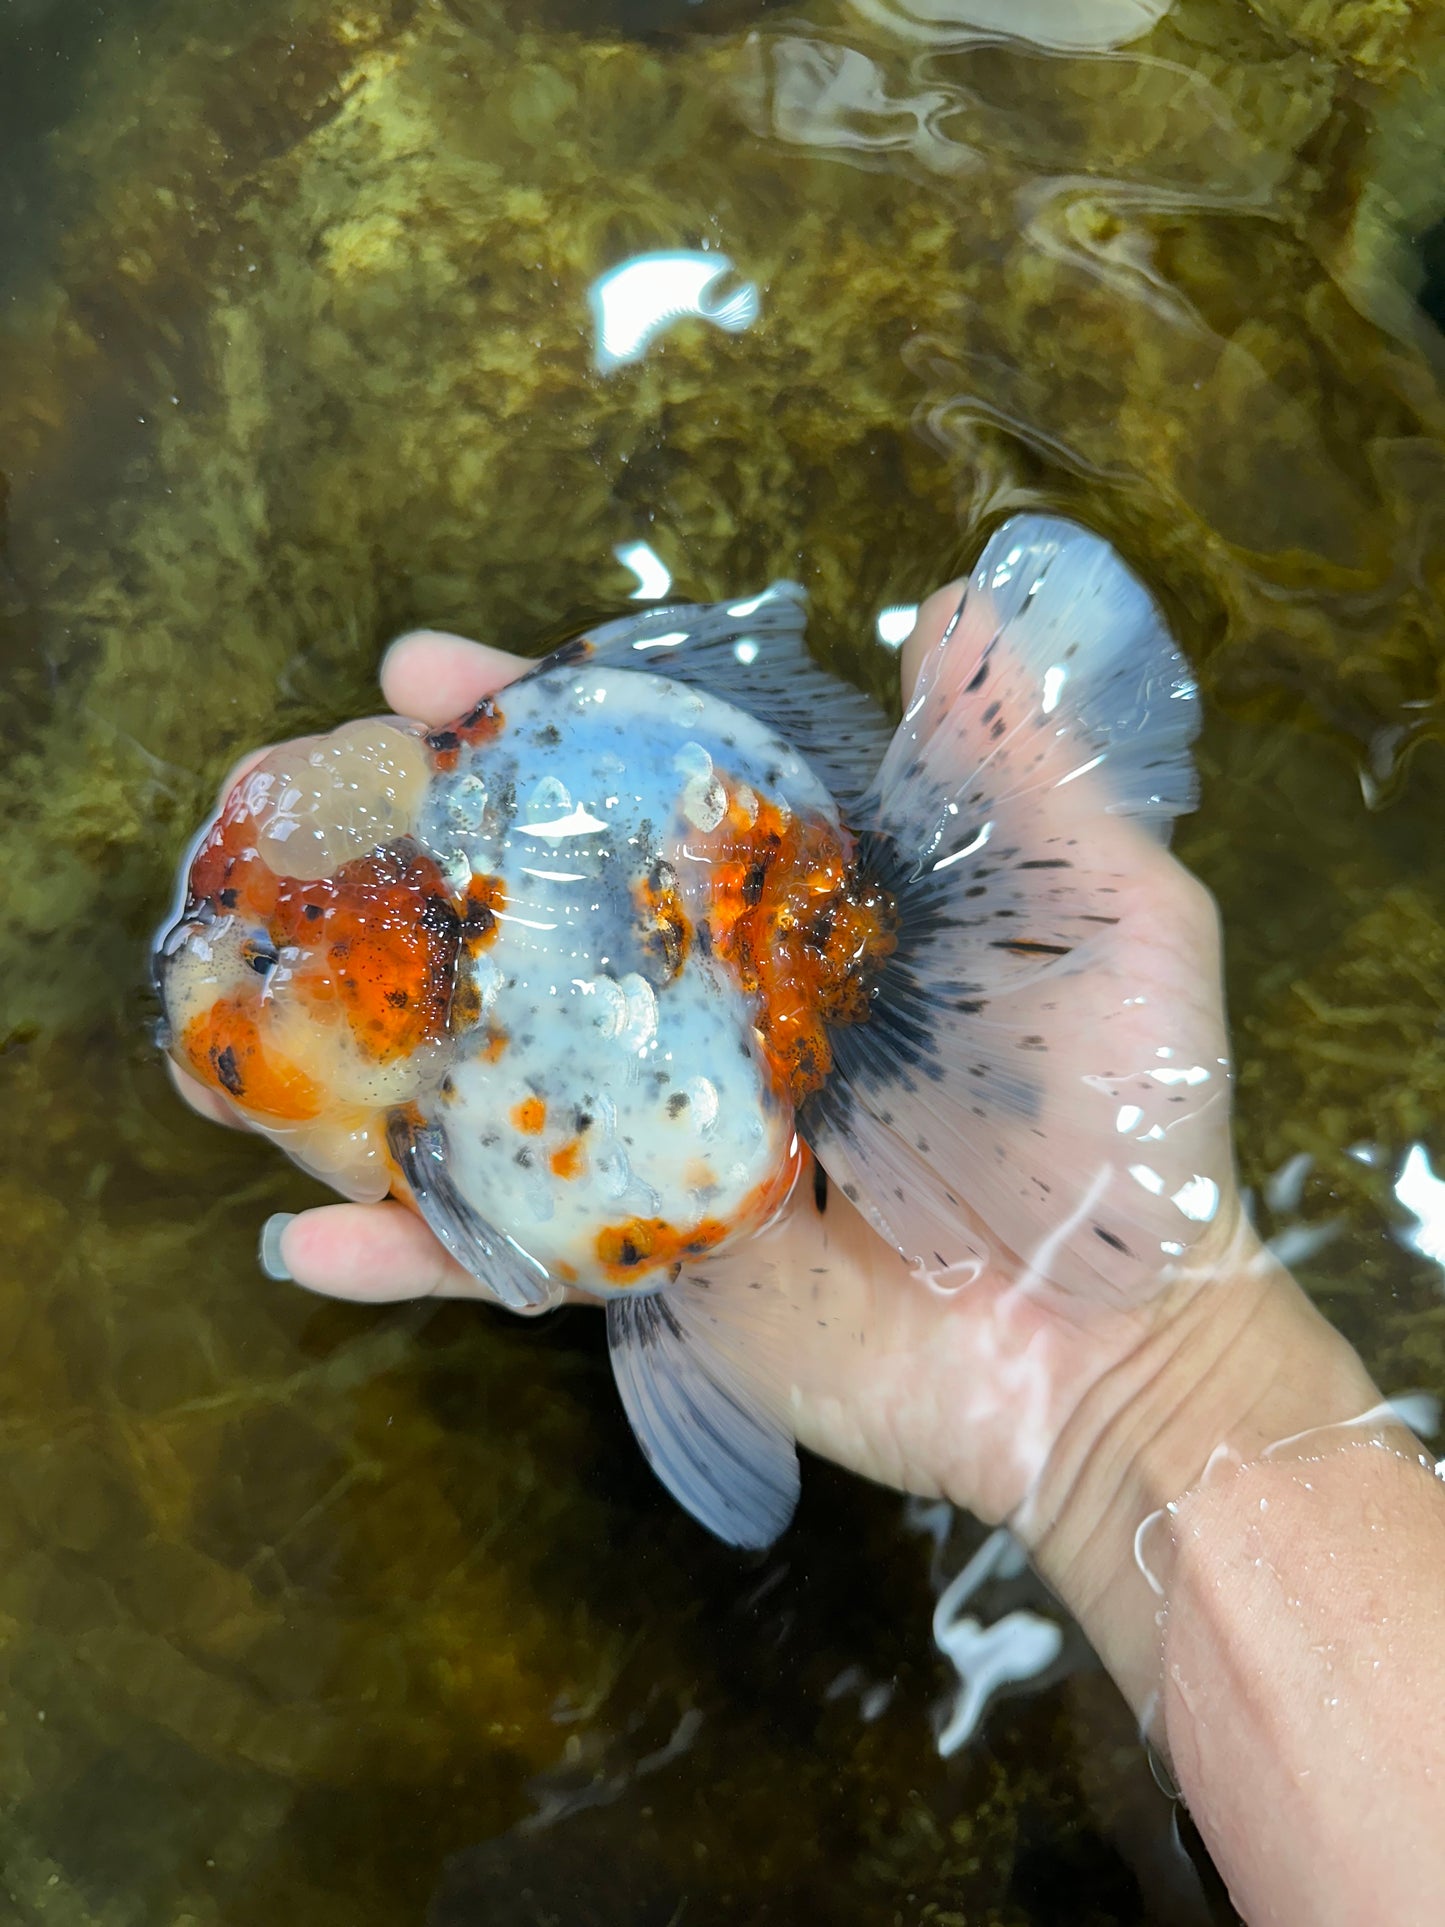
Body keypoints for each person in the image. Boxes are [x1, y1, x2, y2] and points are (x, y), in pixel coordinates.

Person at [172, 586, 1445, 1926]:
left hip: (734, 975)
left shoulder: (422, 1040)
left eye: (253, 955)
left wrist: (1149, 1370)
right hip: (709, 933)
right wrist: (1157, 1373)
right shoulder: (419, 954)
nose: (223, 978)